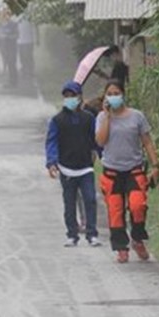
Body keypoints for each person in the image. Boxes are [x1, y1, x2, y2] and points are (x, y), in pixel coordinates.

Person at [95, 79, 159, 263]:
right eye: (110, 94)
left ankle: (137, 239)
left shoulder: (136, 116)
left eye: (117, 93)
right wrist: (107, 116)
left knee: (138, 205)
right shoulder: (101, 117)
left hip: (134, 170)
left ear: (123, 94)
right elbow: (100, 141)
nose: (114, 97)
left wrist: (156, 166)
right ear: (105, 97)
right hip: (112, 173)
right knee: (115, 212)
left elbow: (147, 141)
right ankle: (121, 247)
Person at [45, 81, 101, 247]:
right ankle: (72, 234)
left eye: (73, 96)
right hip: (66, 168)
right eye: (67, 96)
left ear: (80, 97)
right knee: (69, 203)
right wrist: (51, 162)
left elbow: (96, 139)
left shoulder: (89, 118)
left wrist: (102, 154)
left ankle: (92, 234)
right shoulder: (58, 120)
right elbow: (52, 142)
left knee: (90, 199)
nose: (70, 99)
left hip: (86, 167)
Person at [0, 9, 19, 88]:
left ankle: (14, 81)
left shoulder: (13, 24)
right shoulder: (3, 25)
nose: (5, 17)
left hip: (12, 47)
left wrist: (9, 37)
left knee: (12, 64)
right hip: (5, 47)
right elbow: (0, 35)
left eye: (6, 15)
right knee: (8, 64)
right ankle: (10, 80)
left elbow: (17, 35)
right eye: (4, 15)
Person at [17, 15, 37, 80]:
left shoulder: (30, 16)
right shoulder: (17, 17)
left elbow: (35, 27)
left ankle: (31, 72)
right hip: (20, 41)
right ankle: (25, 71)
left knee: (28, 57)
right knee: (22, 57)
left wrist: (36, 38)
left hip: (28, 40)